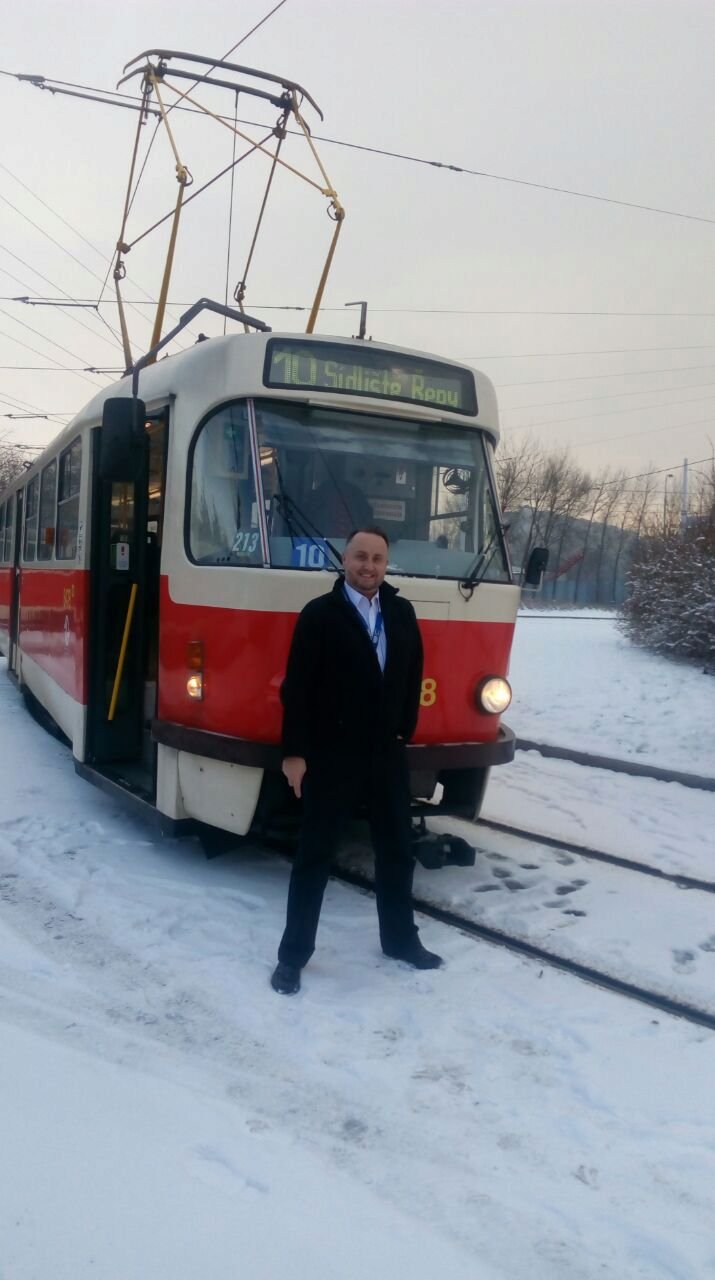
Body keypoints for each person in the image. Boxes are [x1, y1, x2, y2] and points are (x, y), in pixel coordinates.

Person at [271, 526, 443, 995]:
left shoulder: (402, 612)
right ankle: (293, 957)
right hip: (332, 755)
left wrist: (403, 731)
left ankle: (401, 941)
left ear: (387, 565)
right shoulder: (320, 615)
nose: (369, 566)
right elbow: (298, 690)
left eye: (378, 559)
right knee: (314, 856)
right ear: (344, 560)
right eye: (360, 557)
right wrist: (295, 754)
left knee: (396, 852)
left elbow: (412, 676)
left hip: (386, 753)